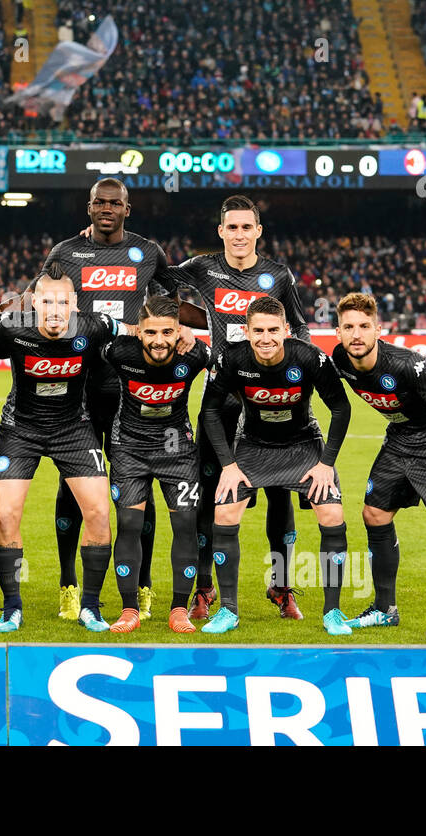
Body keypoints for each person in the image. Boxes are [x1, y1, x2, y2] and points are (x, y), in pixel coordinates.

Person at [0, 262, 138, 633]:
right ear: (34, 303)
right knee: (7, 514)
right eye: (48, 302)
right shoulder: (14, 328)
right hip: (20, 430)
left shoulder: (94, 327)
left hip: (73, 430)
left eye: (63, 302)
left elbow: (136, 330)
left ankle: (90, 607)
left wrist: (183, 337)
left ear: (74, 304)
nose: (56, 310)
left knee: (98, 513)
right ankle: (12, 605)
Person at [164, 194, 310, 622]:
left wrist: (295, 363)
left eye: (248, 227)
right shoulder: (202, 268)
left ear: (258, 232)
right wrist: (186, 322)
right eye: (233, 227)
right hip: (221, 400)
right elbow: (156, 284)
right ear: (221, 231)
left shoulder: (277, 275)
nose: (240, 234)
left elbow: (298, 325)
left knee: (280, 497)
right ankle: (205, 590)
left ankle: (281, 586)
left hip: (269, 401)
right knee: (213, 497)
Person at [43, 177, 181, 621]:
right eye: (99, 202)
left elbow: (171, 300)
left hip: (129, 391)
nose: (106, 208)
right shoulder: (65, 252)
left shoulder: (149, 252)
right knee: (73, 488)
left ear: (127, 208)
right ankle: (68, 584)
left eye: (114, 203)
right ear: (89, 208)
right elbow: (38, 300)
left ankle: (141, 587)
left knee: (139, 491)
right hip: (78, 388)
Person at [202, 296, 353, 635]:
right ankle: (228, 611)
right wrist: (228, 464)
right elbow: (210, 411)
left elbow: (341, 409)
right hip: (253, 445)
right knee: (225, 513)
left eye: (273, 330)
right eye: (258, 331)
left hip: (302, 444)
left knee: (332, 515)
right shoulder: (232, 358)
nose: (265, 338)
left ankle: (332, 613)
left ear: (286, 330)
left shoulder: (310, 357)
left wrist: (326, 463)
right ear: (246, 331)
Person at [332, 292, 426, 644]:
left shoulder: (405, 364)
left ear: (379, 329)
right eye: (349, 327)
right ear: (338, 333)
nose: (357, 334)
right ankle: (384, 609)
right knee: (374, 514)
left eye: (364, 326)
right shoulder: (339, 359)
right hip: (398, 440)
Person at [102, 296, 210, 633]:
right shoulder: (119, 351)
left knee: (185, 525)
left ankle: (179, 609)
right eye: (151, 333)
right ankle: (129, 609)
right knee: (129, 525)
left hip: (176, 449)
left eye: (167, 332)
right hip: (129, 448)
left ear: (179, 331)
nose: (159, 340)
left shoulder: (195, 353)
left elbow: (229, 373)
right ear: (139, 332)